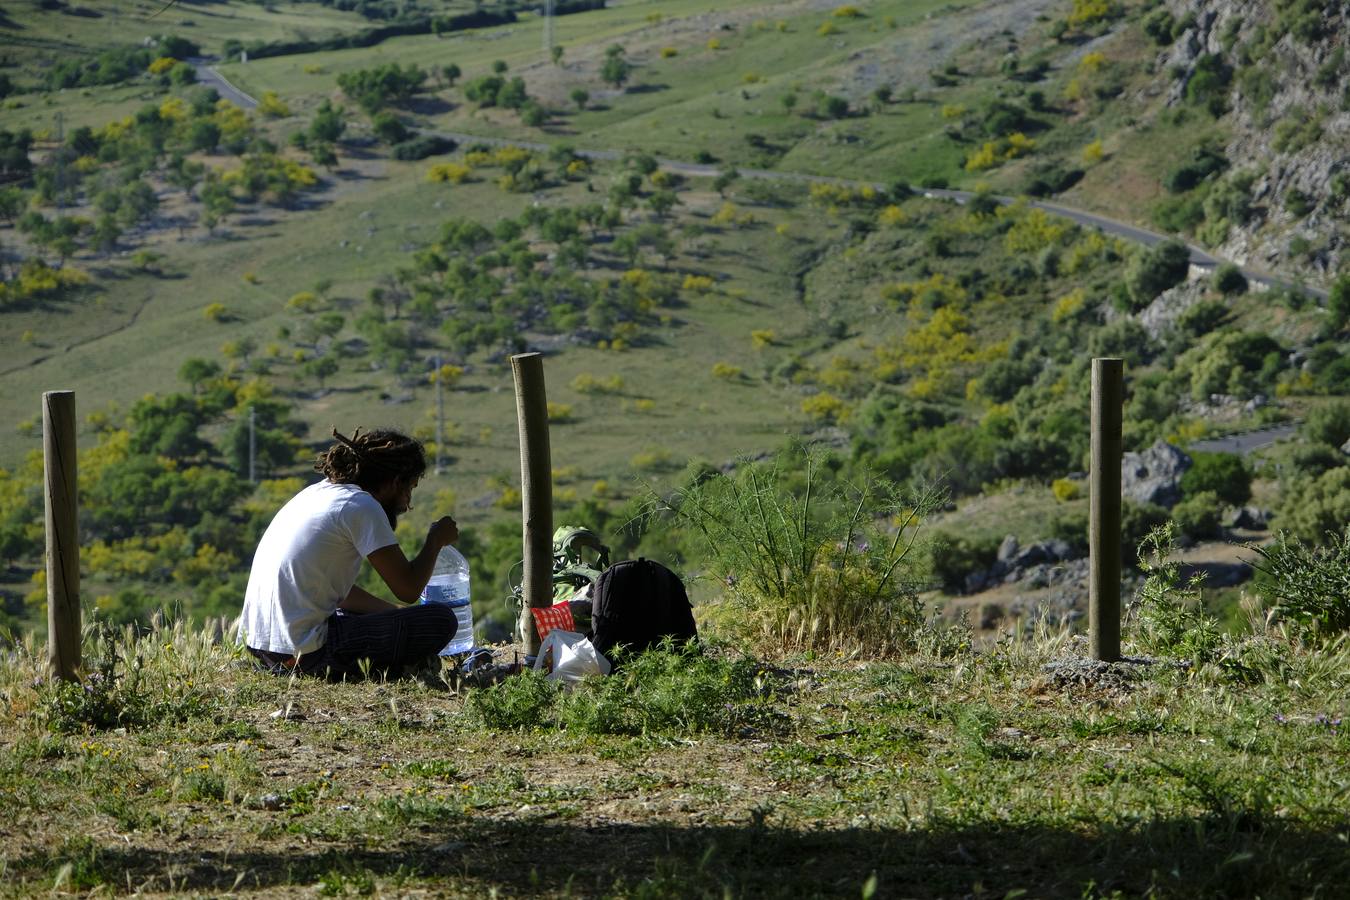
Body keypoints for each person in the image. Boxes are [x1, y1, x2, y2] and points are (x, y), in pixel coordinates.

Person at [239, 427, 460, 681]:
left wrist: (393, 613)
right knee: (441, 619)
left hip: (262, 649)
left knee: (369, 615)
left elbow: (334, 593)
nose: (408, 503)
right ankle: (395, 671)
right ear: (395, 481)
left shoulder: (317, 493)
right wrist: (435, 541)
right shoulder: (362, 505)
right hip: (307, 655)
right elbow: (408, 589)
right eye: (410, 487)